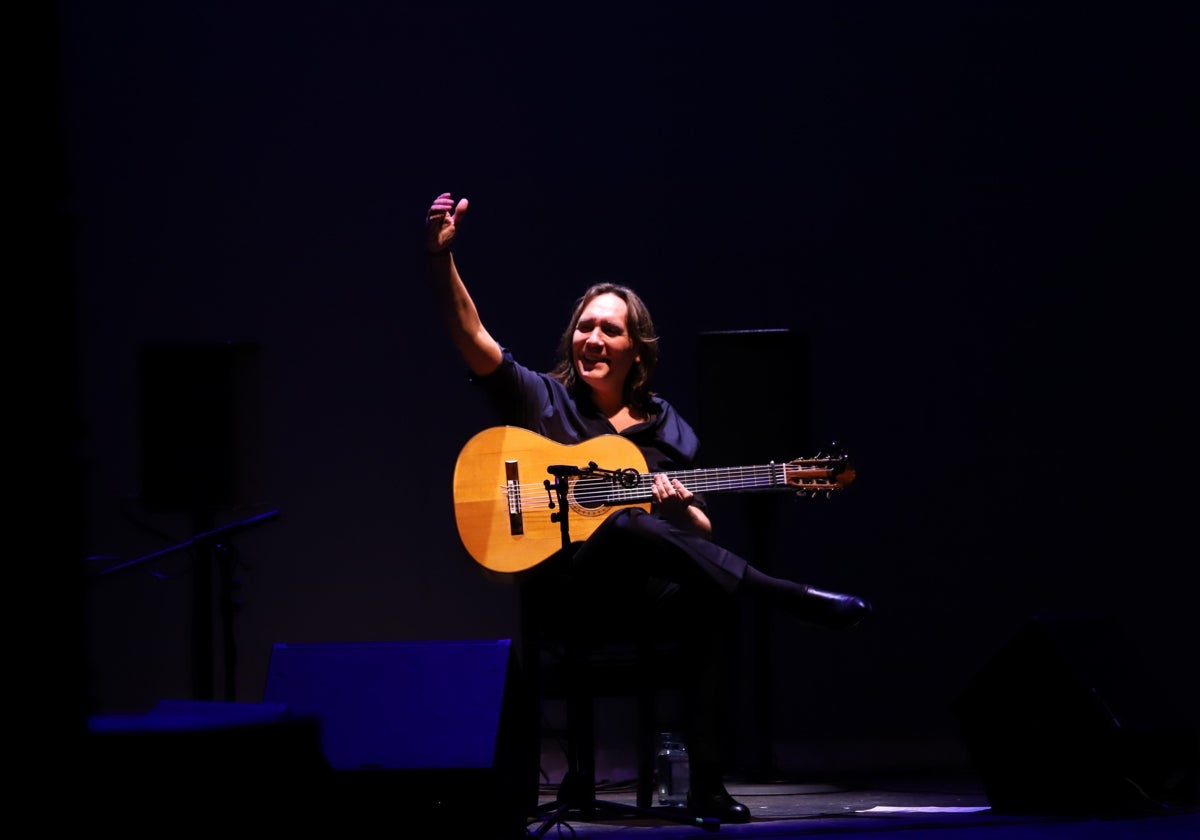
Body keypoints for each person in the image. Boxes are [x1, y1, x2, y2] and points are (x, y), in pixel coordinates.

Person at [425, 191, 872, 823]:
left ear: (638, 349)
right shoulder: (543, 402)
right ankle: (783, 594)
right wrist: (441, 259)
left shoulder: (666, 426)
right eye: (585, 326)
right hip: (570, 586)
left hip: (641, 588)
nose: (594, 338)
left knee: (705, 591)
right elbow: (469, 334)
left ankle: (708, 786)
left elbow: (700, 531)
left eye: (610, 329)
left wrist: (681, 506)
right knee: (627, 524)